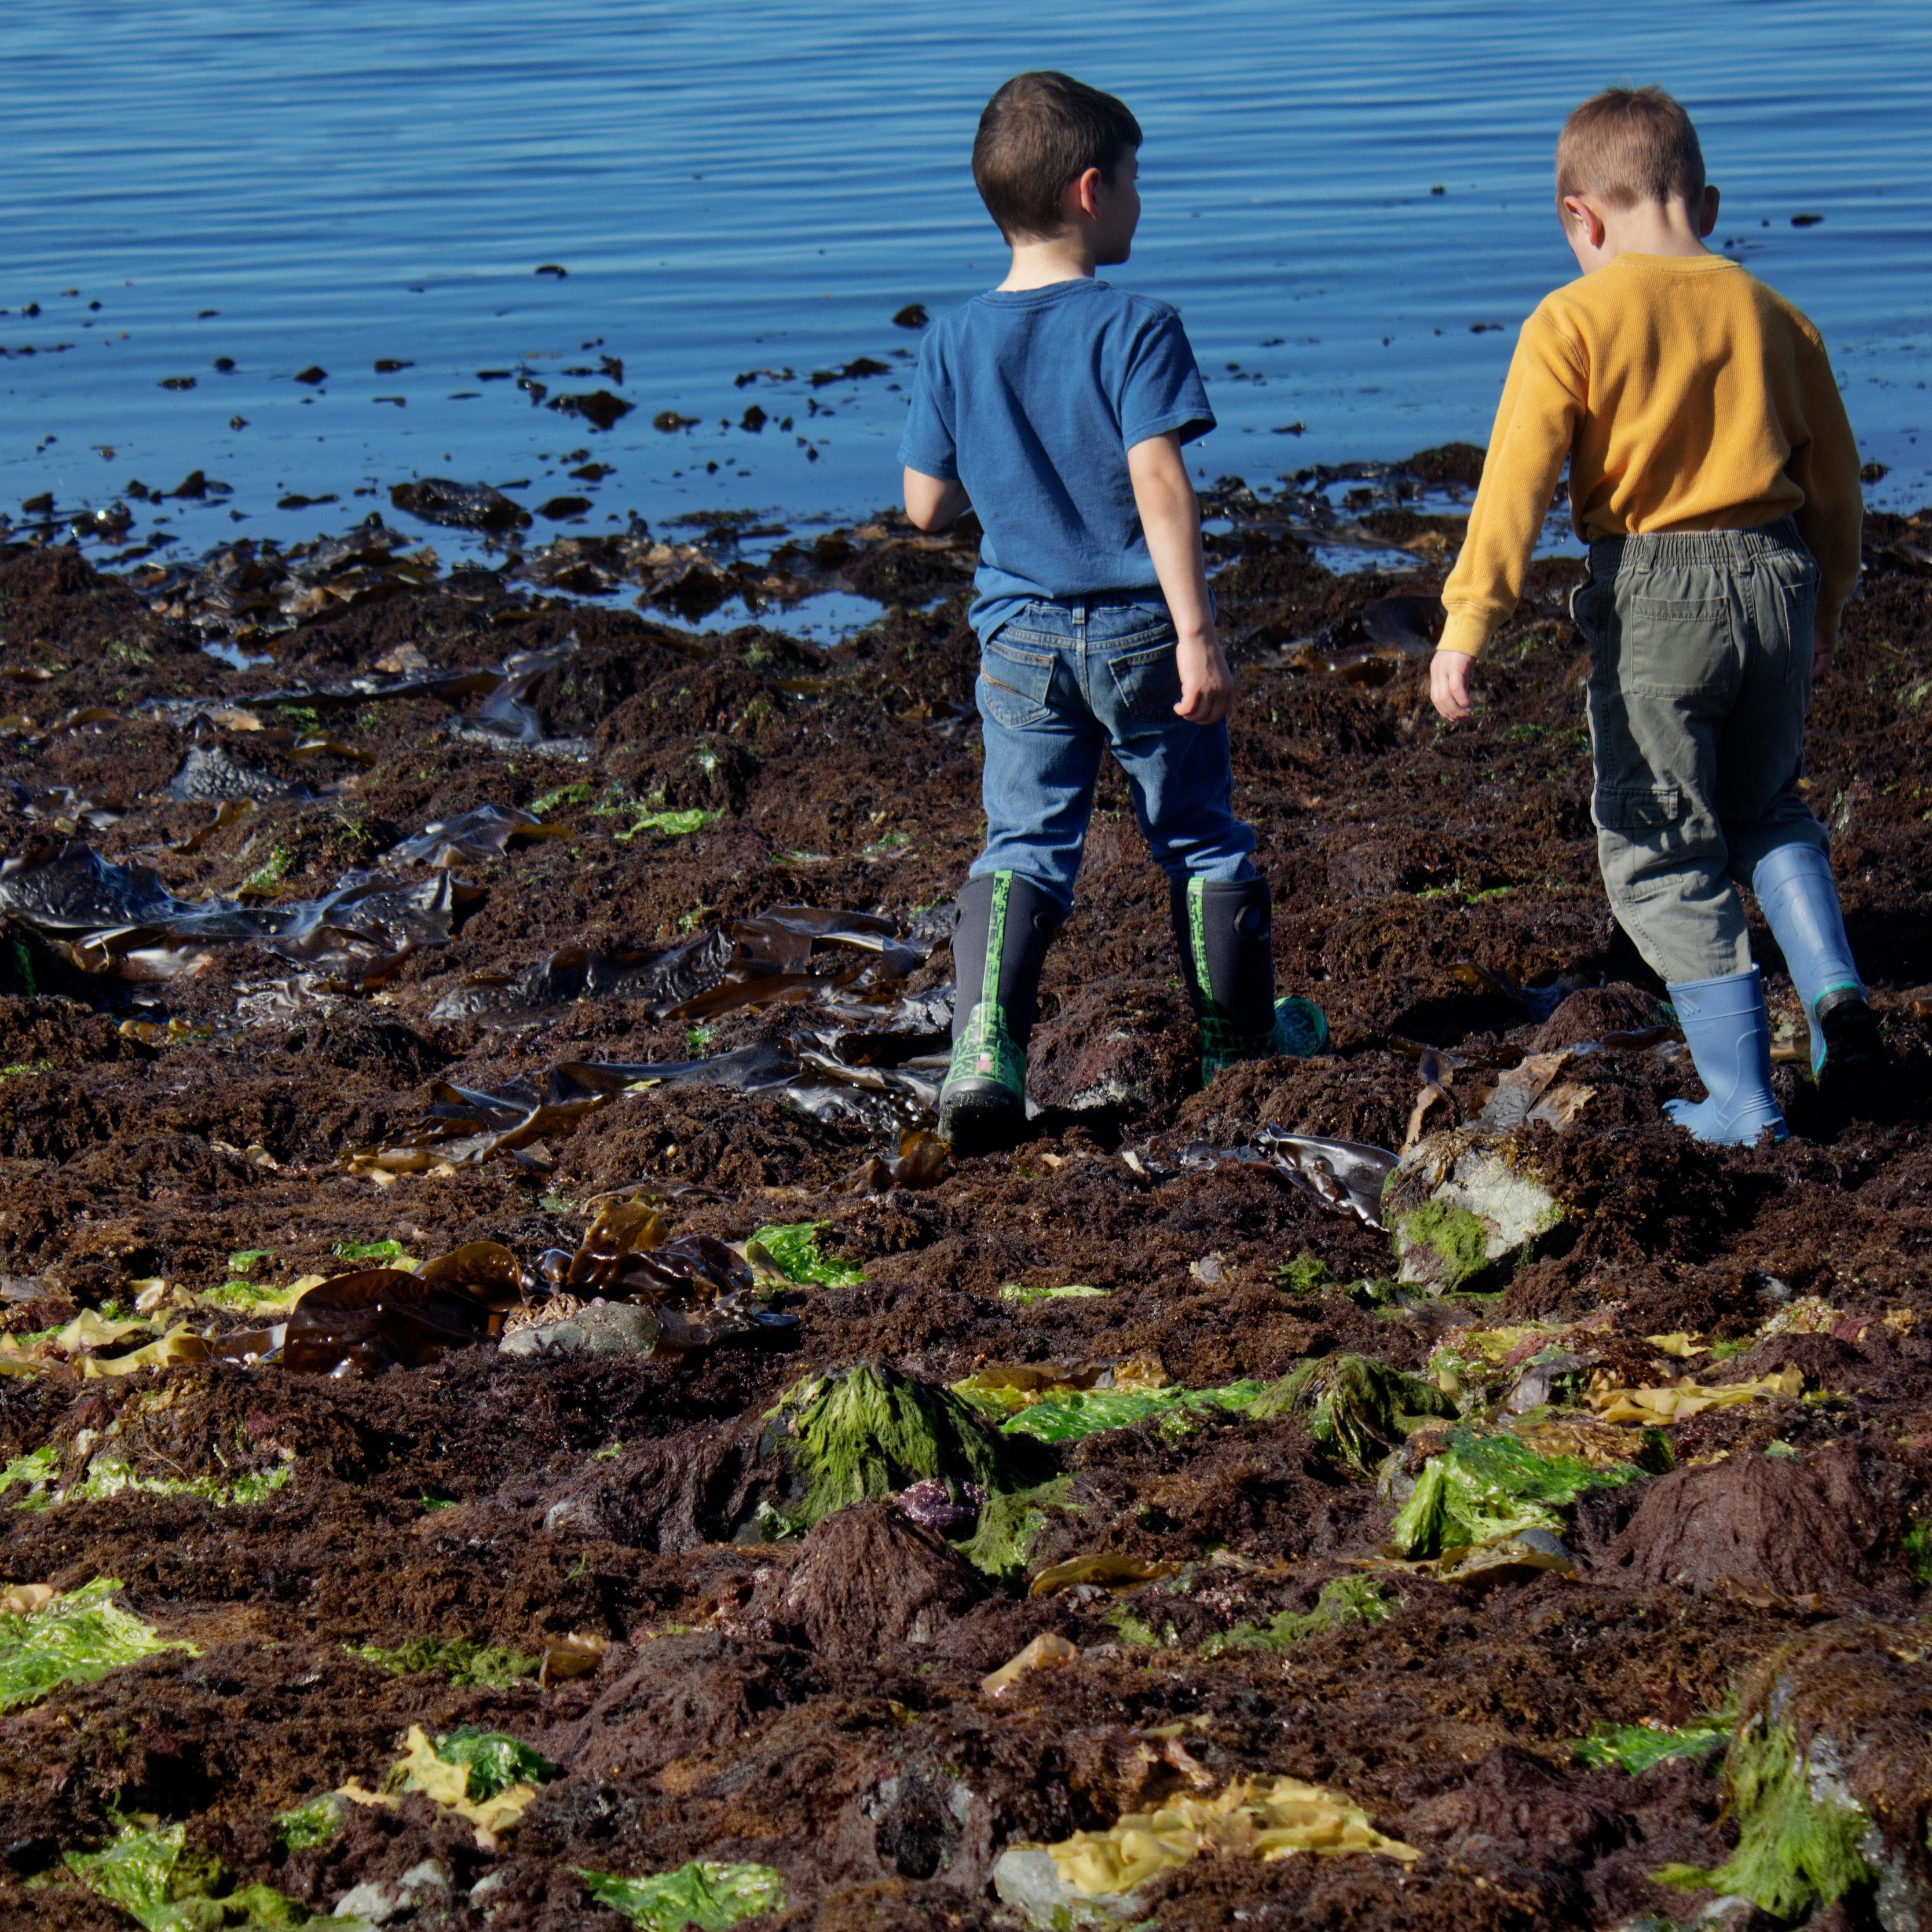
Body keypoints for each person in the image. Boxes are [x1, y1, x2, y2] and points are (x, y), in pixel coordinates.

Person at [1431, 85, 1879, 1144]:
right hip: (1778, 576)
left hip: (1656, 592)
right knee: (1767, 805)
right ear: (1705, 202)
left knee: (1663, 849)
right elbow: (1839, 483)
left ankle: (1740, 1097)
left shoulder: (1574, 317)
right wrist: (1833, 601)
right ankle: (1834, 998)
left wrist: (1467, 623)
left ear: (1581, 219)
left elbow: (1517, 485)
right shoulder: (1778, 316)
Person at [899, 71, 1327, 1154]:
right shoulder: (1137, 325)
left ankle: (985, 1051)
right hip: (1141, 630)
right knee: (1197, 838)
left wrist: (1000, 465)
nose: (1142, 199)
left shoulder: (953, 340)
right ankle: (1237, 1043)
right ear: (1093, 190)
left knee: (1026, 843)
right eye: (1136, 181)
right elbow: (1160, 484)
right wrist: (1197, 633)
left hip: (1020, 636)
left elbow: (925, 508)